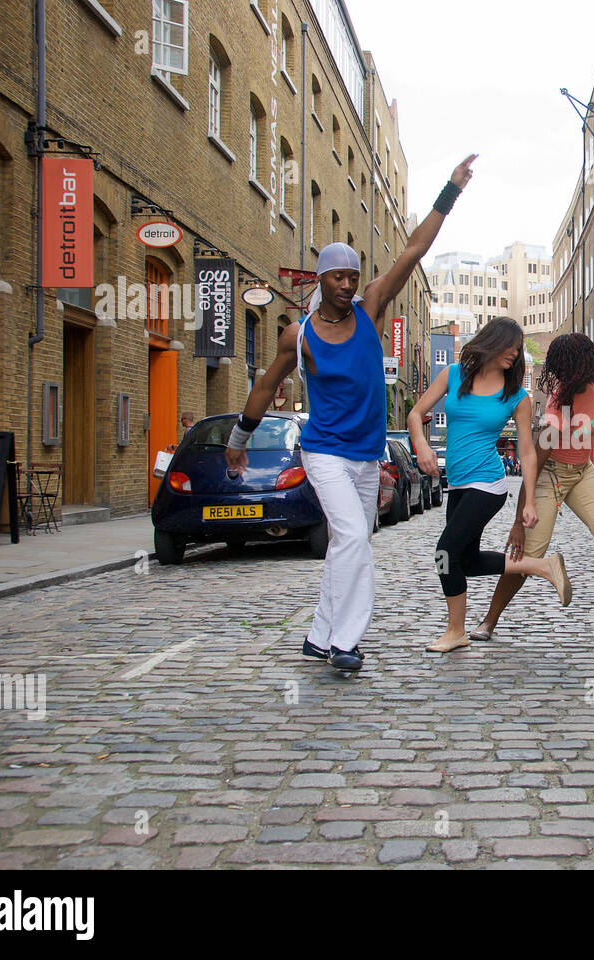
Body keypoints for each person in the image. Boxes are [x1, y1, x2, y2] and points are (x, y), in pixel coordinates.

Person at [225, 154, 478, 673]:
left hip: (367, 456)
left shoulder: (371, 309)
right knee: (352, 539)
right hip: (322, 451)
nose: (347, 284)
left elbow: (414, 248)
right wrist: (237, 441)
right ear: (321, 279)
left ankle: (318, 634)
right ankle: (346, 642)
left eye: (353, 276)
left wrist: (449, 193)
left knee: (350, 542)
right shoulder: (299, 336)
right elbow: (266, 386)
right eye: (337, 277)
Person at [469, 333, 594, 643]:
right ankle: (488, 621)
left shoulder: (593, 386)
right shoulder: (559, 408)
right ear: (575, 367)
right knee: (527, 555)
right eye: (589, 360)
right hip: (552, 475)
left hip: (583, 471)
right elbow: (533, 464)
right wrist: (519, 521)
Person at [409, 318, 572, 654]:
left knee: (444, 552)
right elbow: (416, 413)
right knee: (464, 561)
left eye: (517, 350)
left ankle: (456, 630)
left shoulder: (516, 396)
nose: (514, 354)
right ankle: (541, 566)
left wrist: (527, 503)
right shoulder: (453, 374)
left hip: (488, 484)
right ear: (491, 341)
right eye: (509, 346)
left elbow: (527, 452)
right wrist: (421, 446)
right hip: (458, 485)